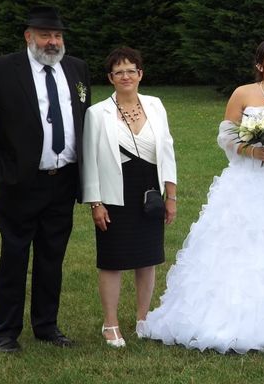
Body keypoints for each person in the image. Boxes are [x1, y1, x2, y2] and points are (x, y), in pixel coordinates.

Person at [140, 38, 264, 353]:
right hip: (246, 180)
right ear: (260, 64)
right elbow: (226, 136)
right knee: (235, 243)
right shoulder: (243, 93)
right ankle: (221, 315)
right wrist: (252, 150)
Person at [0, 6, 90, 352]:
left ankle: (47, 326)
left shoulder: (77, 68)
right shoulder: (2, 69)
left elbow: (84, 120)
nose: (53, 42)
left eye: (58, 35)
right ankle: (6, 332)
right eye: (46, 35)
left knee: (52, 256)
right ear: (28, 36)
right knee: (15, 255)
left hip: (63, 180)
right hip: (20, 181)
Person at [81, 47, 177, 348]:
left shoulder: (155, 105)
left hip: (149, 191)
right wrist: (96, 203)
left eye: (131, 70)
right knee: (112, 261)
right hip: (113, 194)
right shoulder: (97, 113)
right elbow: (89, 160)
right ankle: (110, 324)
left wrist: (170, 195)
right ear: (111, 78)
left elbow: (167, 149)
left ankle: (143, 319)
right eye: (119, 71)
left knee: (147, 259)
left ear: (140, 74)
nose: (126, 76)